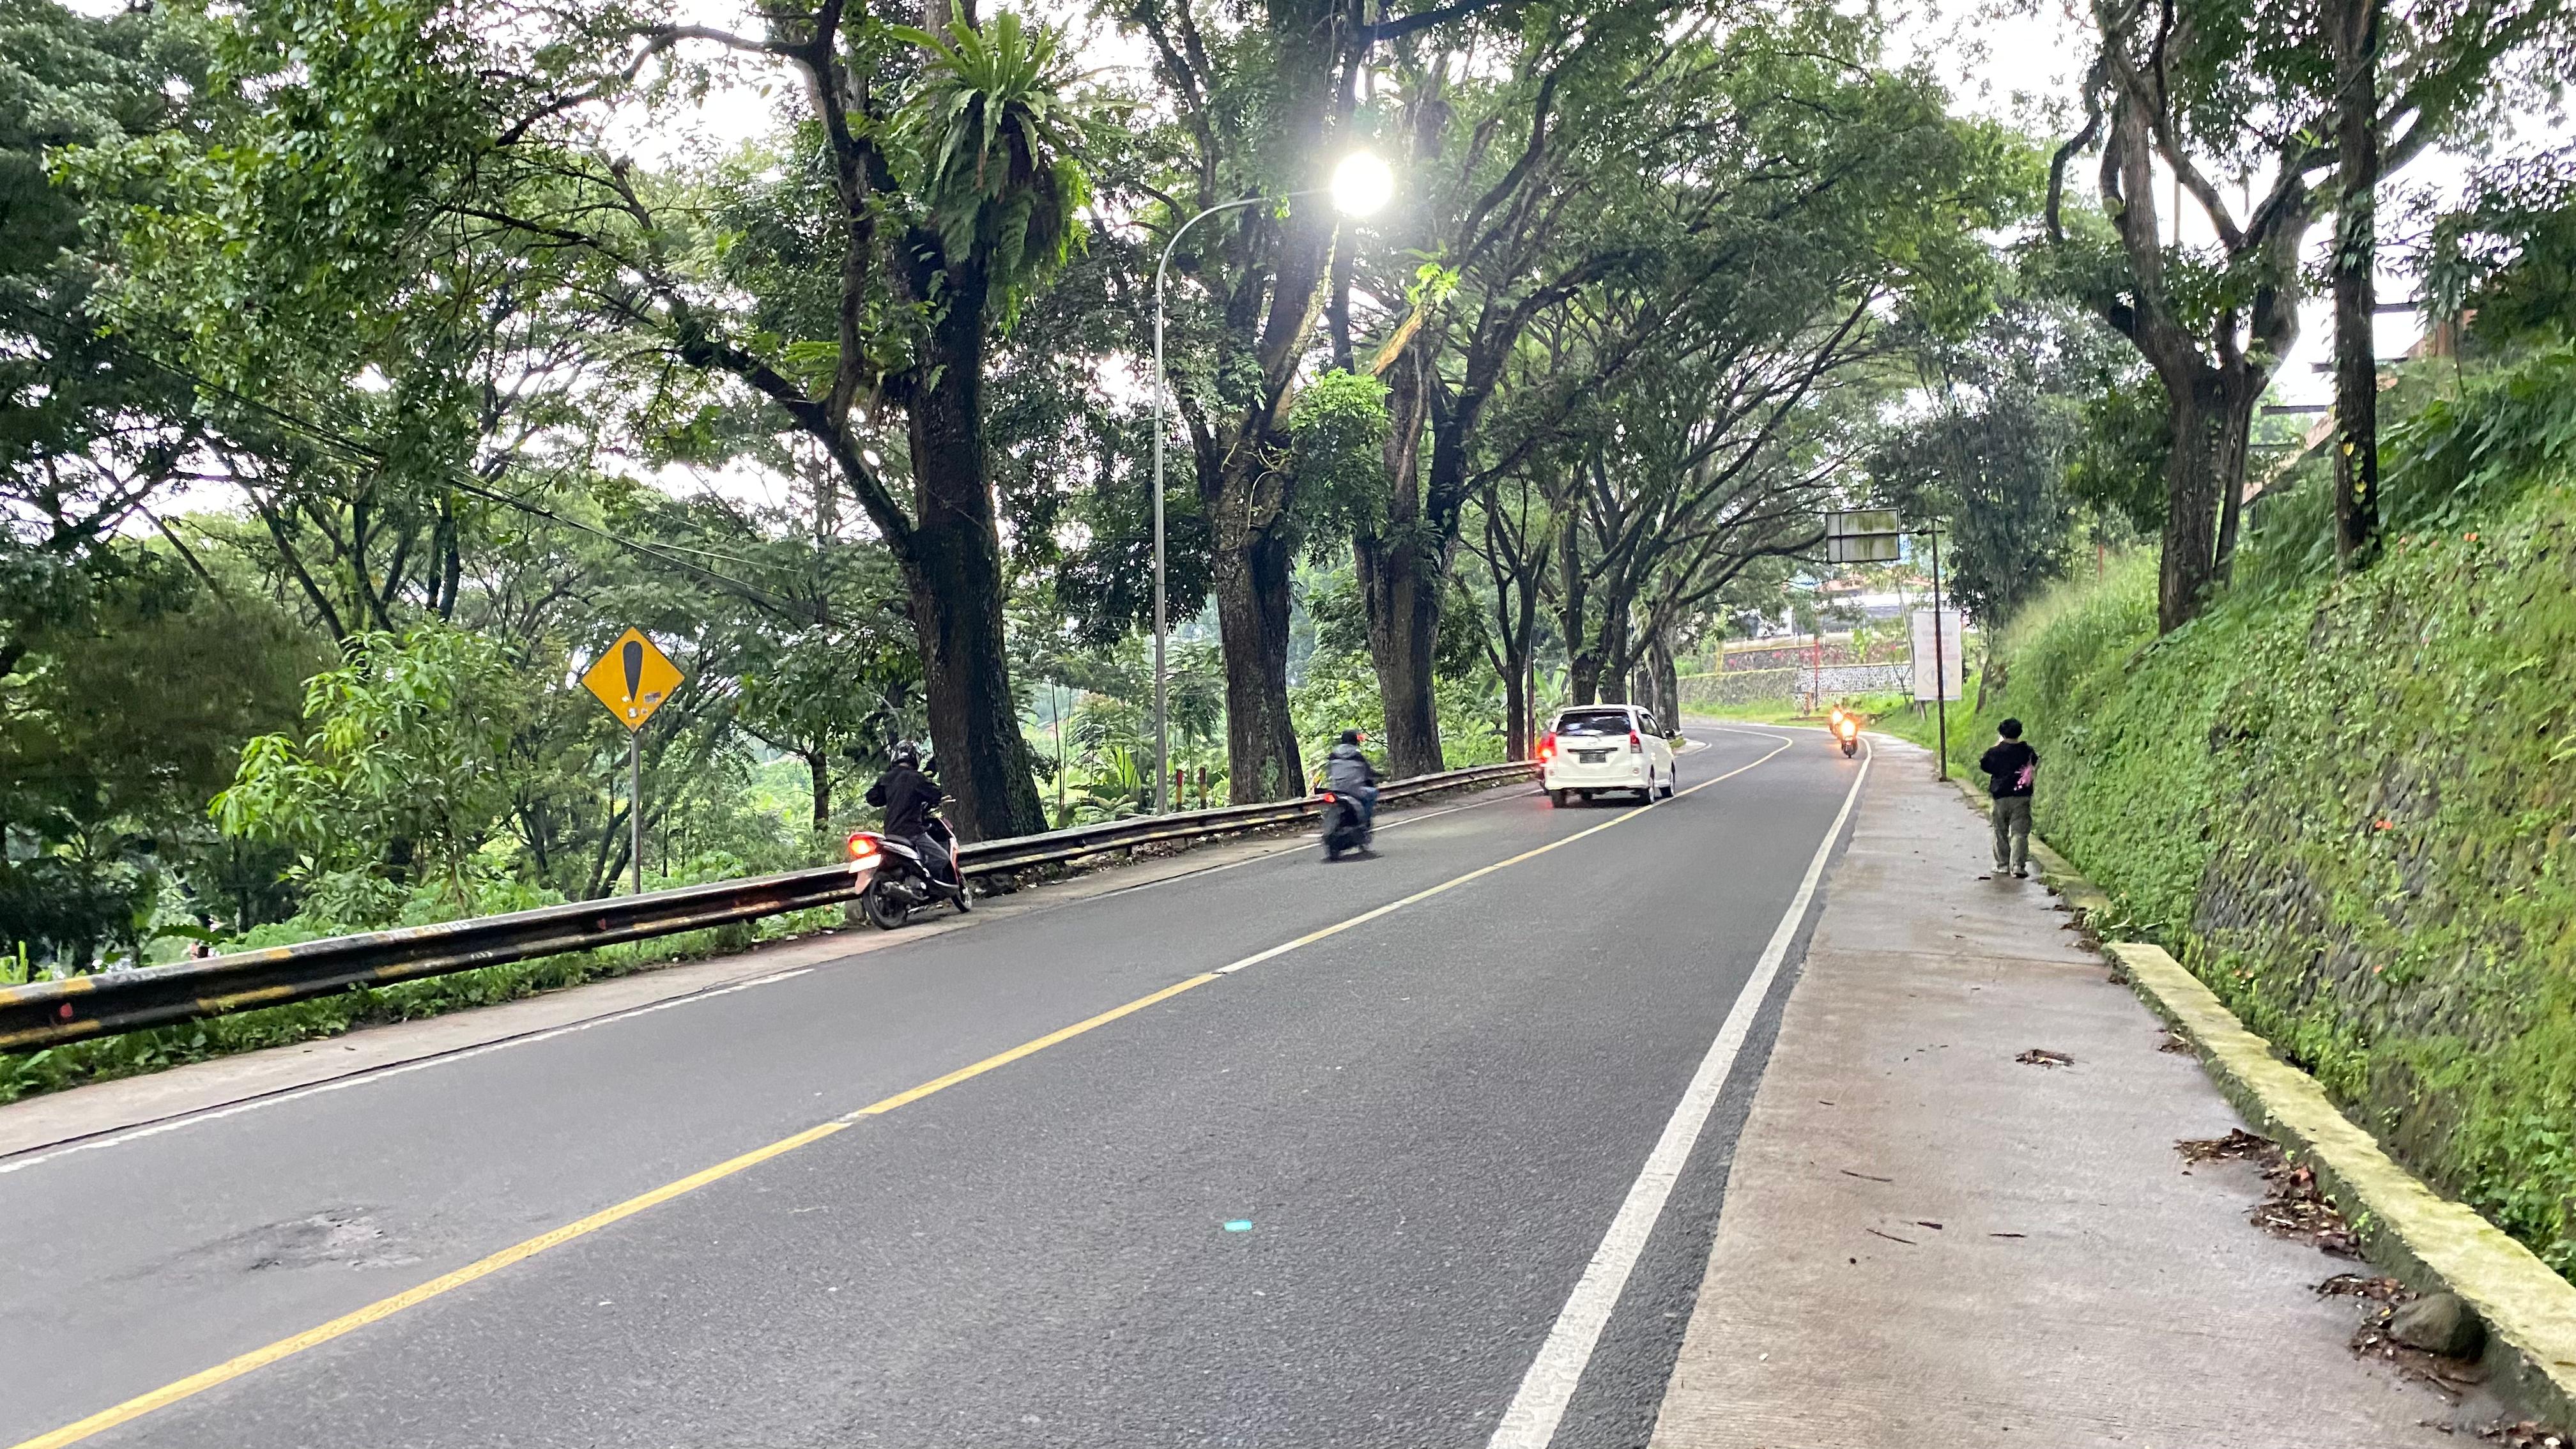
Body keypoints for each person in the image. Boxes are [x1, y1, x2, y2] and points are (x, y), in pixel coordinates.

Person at [865, 741, 956, 888]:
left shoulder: (887, 778)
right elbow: (935, 793)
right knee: (942, 858)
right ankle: (930, 885)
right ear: (916, 758)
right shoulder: (916, 778)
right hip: (913, 832)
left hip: (891, 834)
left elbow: (873, 798)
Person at [1978, 718, 2041, 879]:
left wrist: (1996, 746)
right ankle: (2018, 865)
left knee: (2000, 830)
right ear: (2019, 732)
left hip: (2000, 796)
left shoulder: (1995, 752)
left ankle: (2003, 864)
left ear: (2002, 733)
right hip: (2022, 796)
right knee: (2020, 831)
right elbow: (2035, 762)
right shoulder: (2027, 750)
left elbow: (1985, 765)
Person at [1321, 728, 1381, 845]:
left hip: (1336, 790)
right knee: (1373, 793)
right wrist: (1378, 775)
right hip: (1354, 790)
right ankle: (1365, 824)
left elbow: (1329, 772)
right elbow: (1367, 771)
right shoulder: (1357, 754)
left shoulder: (1333, 754)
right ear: (1355, 740)